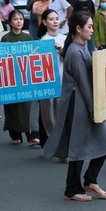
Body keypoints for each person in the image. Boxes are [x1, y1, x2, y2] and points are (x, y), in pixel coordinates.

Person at [43, 12, 106, 202]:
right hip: (78, 102)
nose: (92, 30)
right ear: (78, 29)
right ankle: (73, 188)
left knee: (102, 143)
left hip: (85, 100)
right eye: (89, 27)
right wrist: (94, 110)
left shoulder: (81, 47)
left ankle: (89, 181)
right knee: (79, 146)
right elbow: (83, 82)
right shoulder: (75, 51)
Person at [0, 11, 40, 146]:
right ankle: (15, 135)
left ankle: (31, 135)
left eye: (21, 19)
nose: (18, 21)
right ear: (10, 22)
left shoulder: (28, 37)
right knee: (12, 107)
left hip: (26, 77)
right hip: (11, 78)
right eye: (15, 19)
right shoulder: (6, 38)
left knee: (28, 107)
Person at [37, 9, 65, 147]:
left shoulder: (65, 39)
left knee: (62, 114)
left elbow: (71, 59)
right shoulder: (42, 42)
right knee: (48, 115)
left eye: (56, 18)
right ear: (44, 22)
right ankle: (52, 142)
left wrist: (62, 50)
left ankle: (60, 144)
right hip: (47, 84)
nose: (55, 21)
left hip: (63, 82)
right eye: (51, 19)